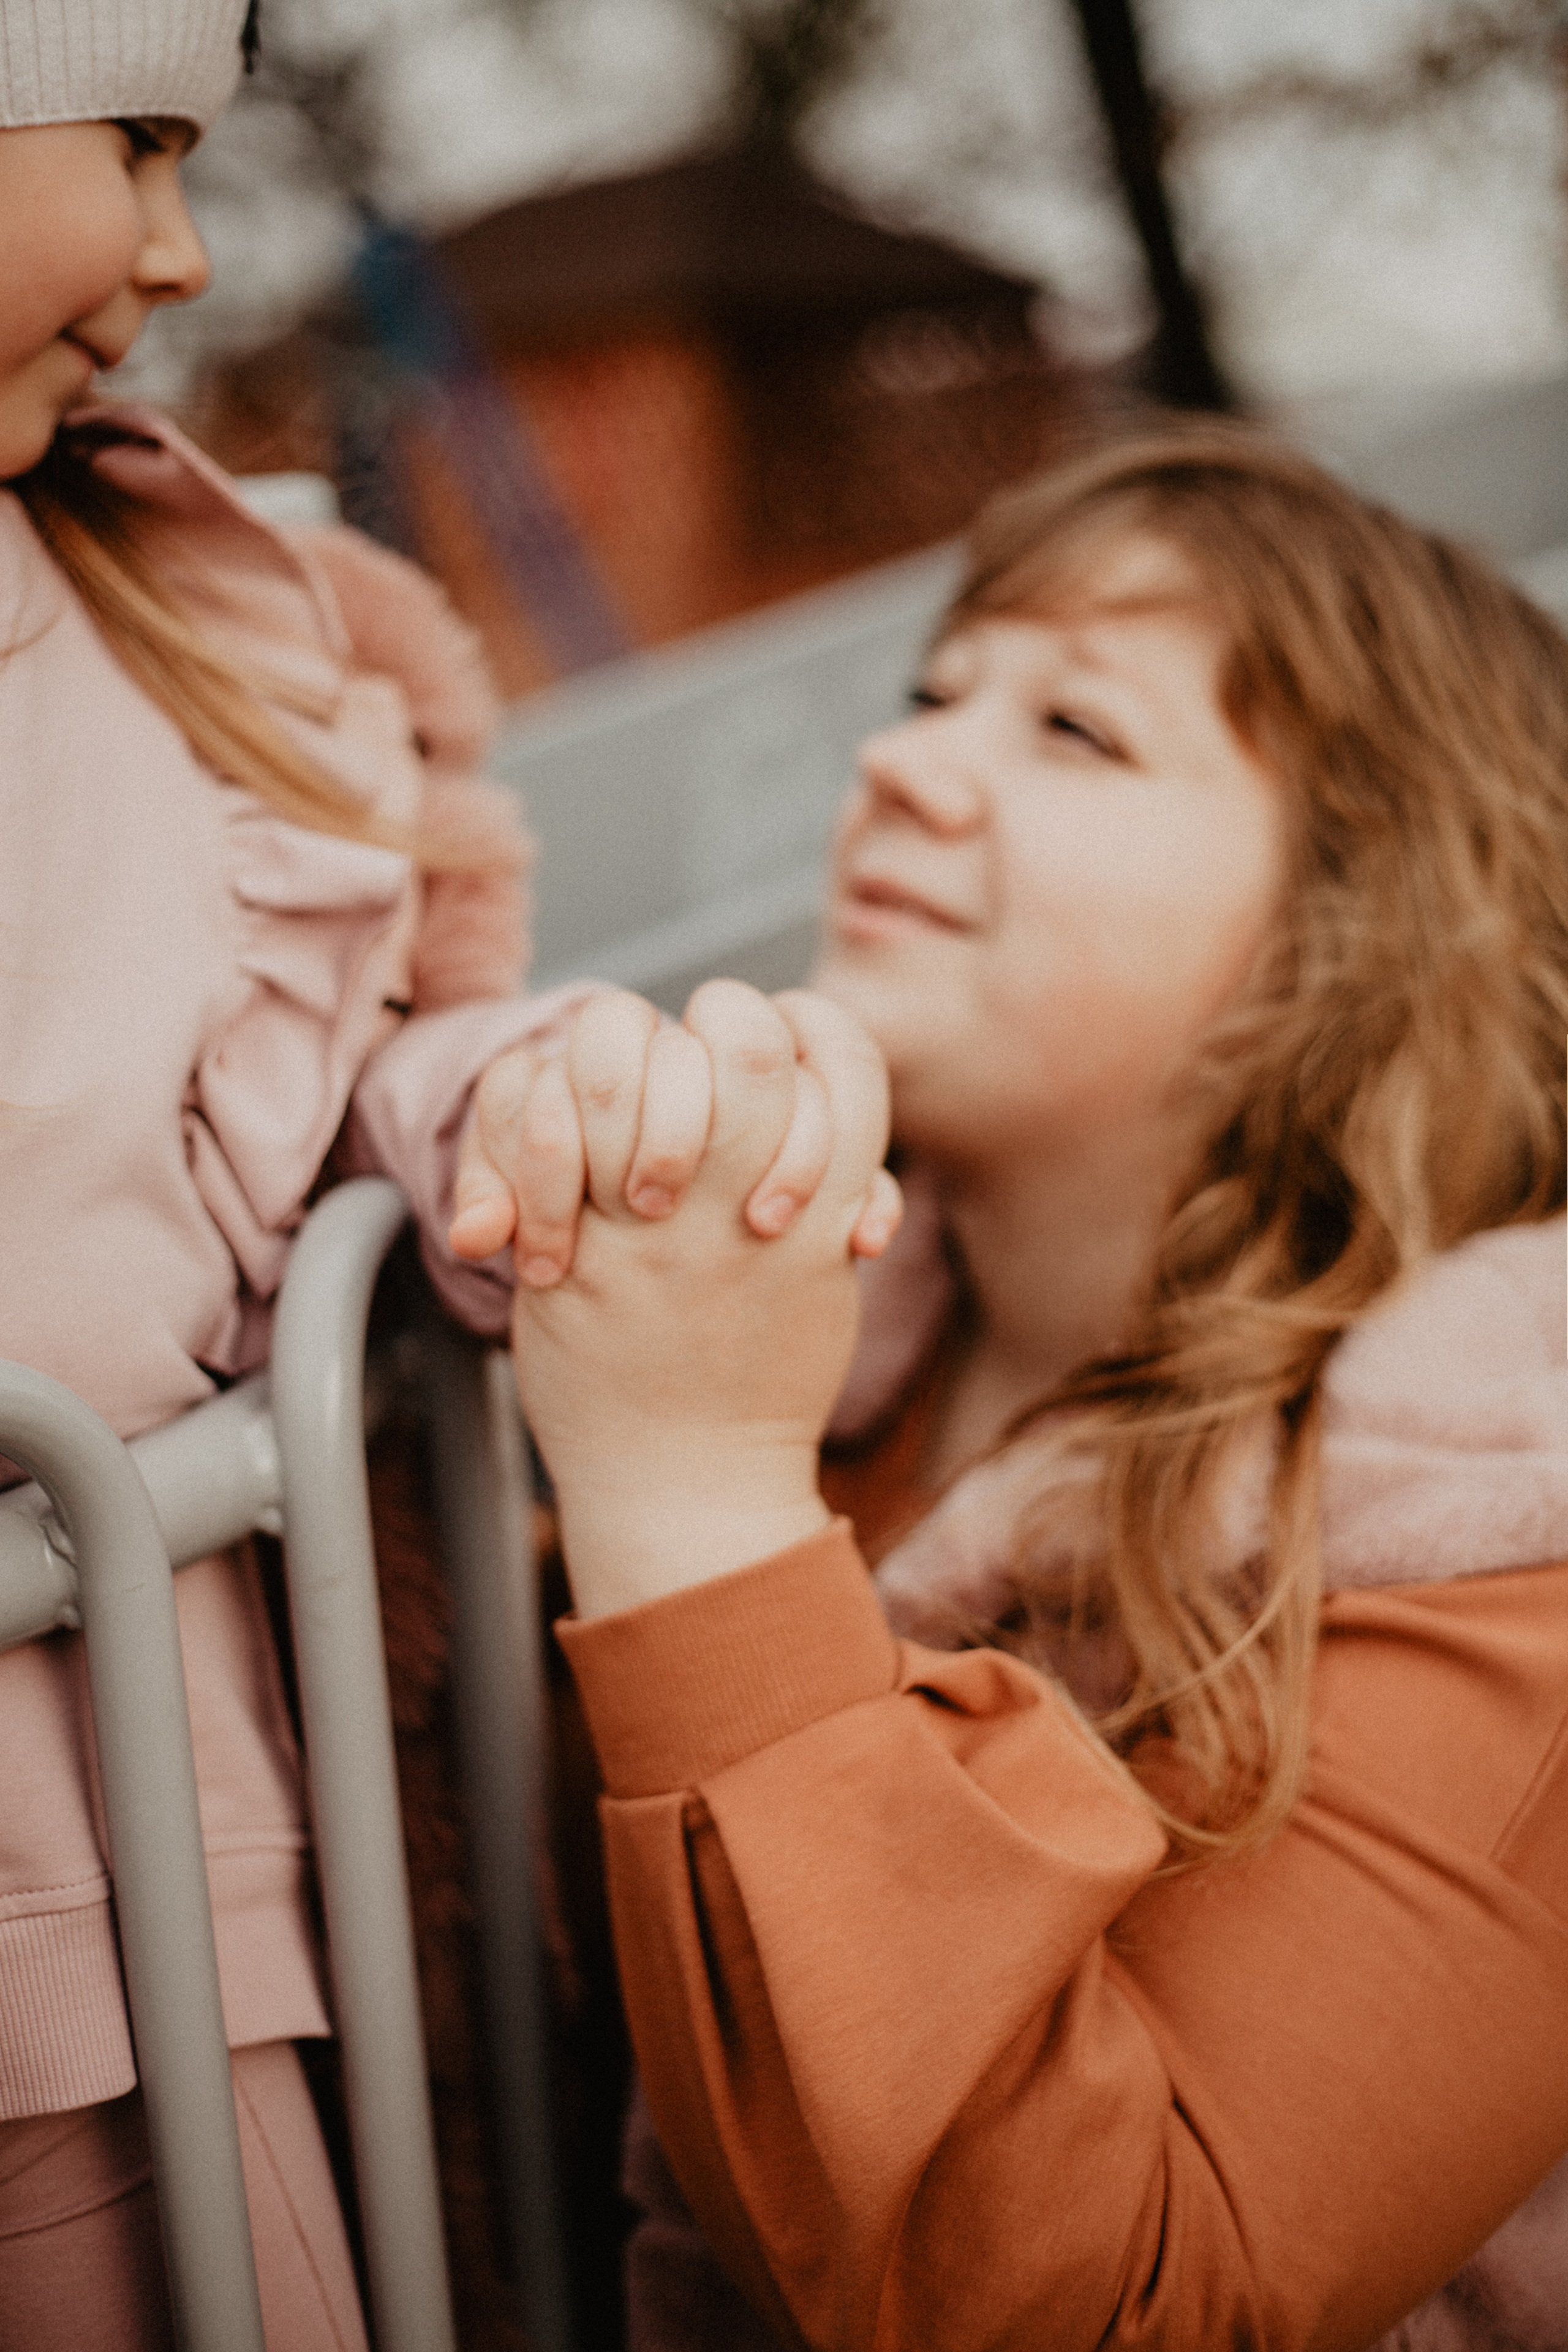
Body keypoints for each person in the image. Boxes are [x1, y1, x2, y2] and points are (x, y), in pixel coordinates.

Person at [468, 422, 1568, 2348]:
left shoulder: (1508, 1523)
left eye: (1073, 732)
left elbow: (1126, 2302)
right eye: (933, 693)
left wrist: (694, 1484)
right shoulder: (828, 1372)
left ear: (1360, 918)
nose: (897, 763)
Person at [0, 5, 623, 2341]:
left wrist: (529, 1103)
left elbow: (360, 1087)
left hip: (120, 1920)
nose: (176, 248)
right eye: (135, 139)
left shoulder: (188, 617)